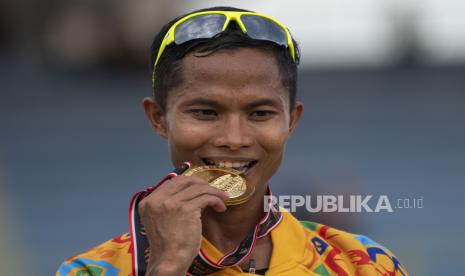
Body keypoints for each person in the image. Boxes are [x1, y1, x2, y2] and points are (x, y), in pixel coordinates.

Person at [57, 6, 408, 276]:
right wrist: (166, 267)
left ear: (291, 121)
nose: (234, 139)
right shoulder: (92, 270)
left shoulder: (363, 264)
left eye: (260, 114)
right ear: (159, 118)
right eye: (206, 113)